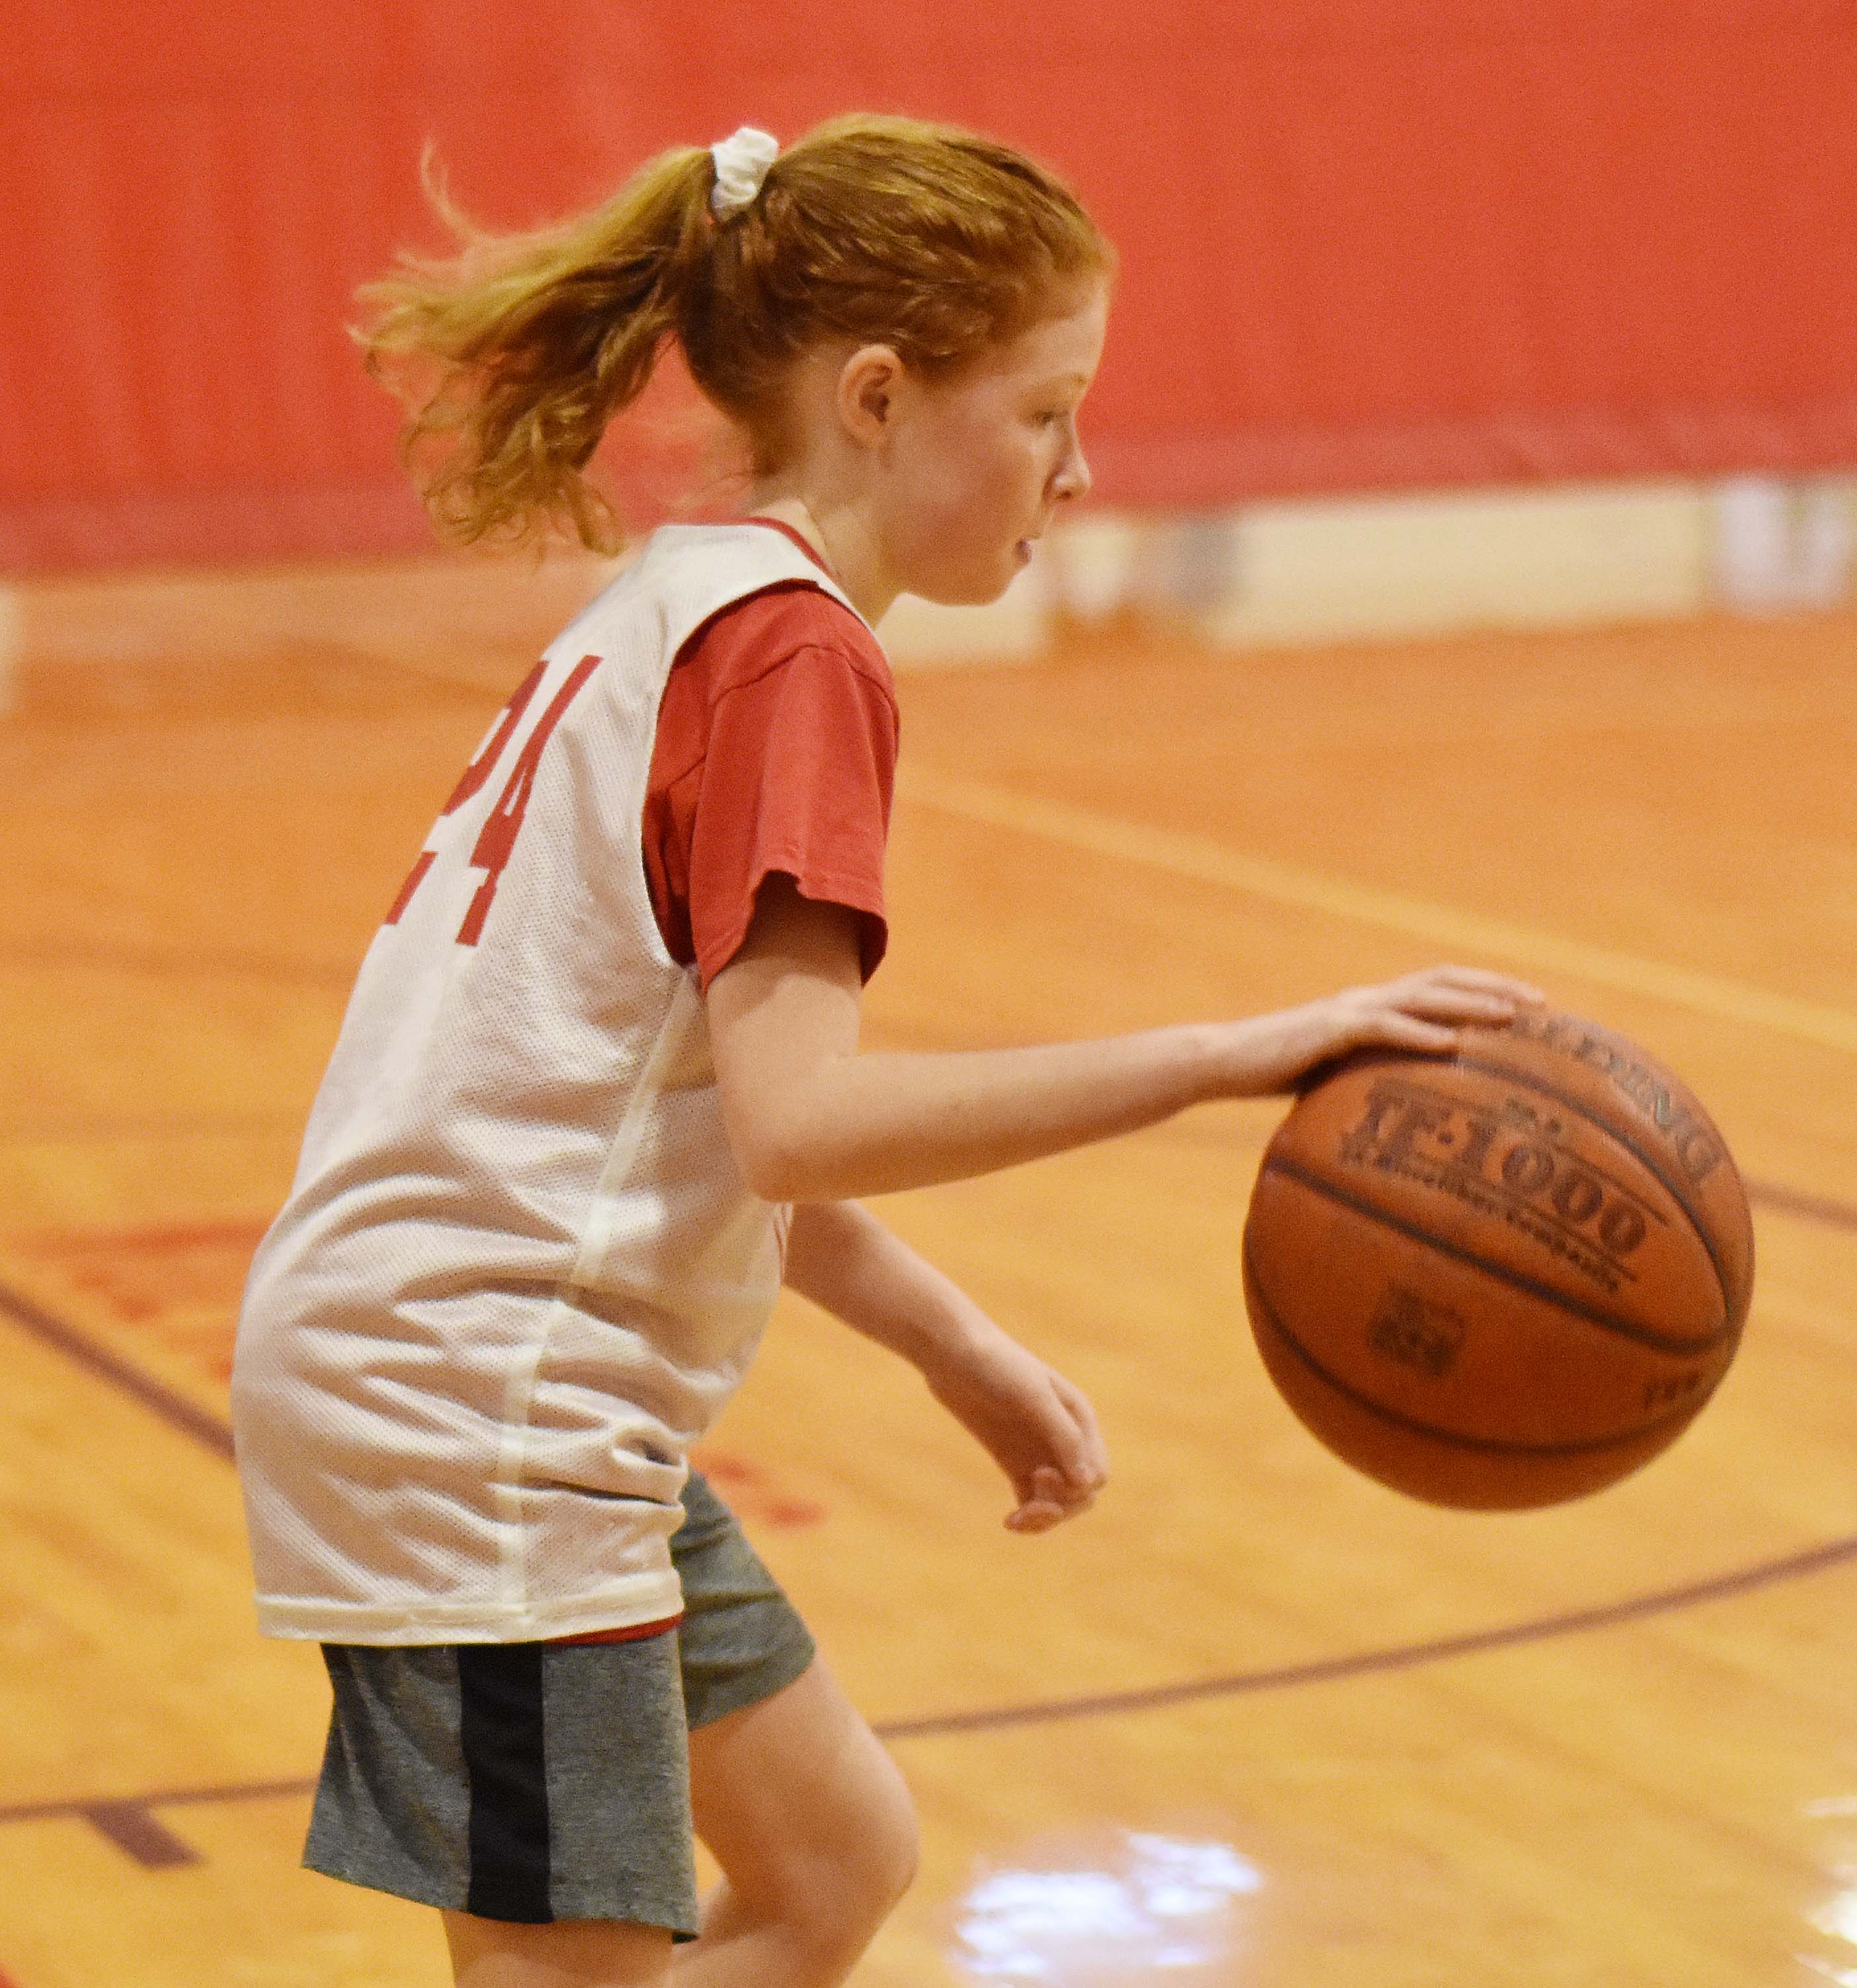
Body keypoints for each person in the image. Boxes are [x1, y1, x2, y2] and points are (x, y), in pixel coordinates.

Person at [229, 115, 1544, 1988]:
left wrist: (963, 1348)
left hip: (490, 1366)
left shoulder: (697, 602)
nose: (1082, 472)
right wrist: (1237, 1048)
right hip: (485, 1402)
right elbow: (801, 1121)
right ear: (876, 397)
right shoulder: (794, 660)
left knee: (836, 1862)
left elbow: (688, 1121)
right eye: (1044, 414)